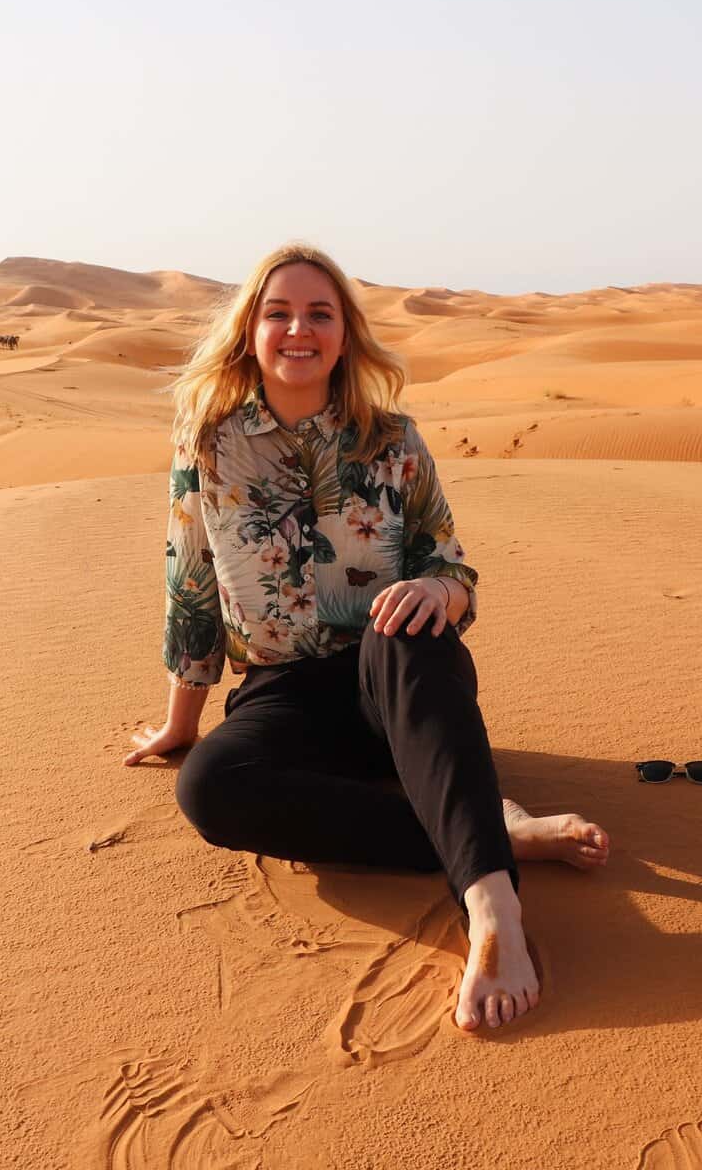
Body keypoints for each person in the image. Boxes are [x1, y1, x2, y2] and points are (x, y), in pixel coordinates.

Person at [125, 242, 610, 1033]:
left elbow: (454, 569)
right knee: (209, 788)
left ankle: (492, 907)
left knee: (404, 628)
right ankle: (495, 831)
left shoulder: (392, 440)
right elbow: (192, 579)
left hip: (402, 679)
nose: (298, 330)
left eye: (321, 313)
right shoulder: (210, 444)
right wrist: (183, 722)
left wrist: (436, 588)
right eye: (278, 312)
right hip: (283, 692)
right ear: (251, 330)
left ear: (346, 335)